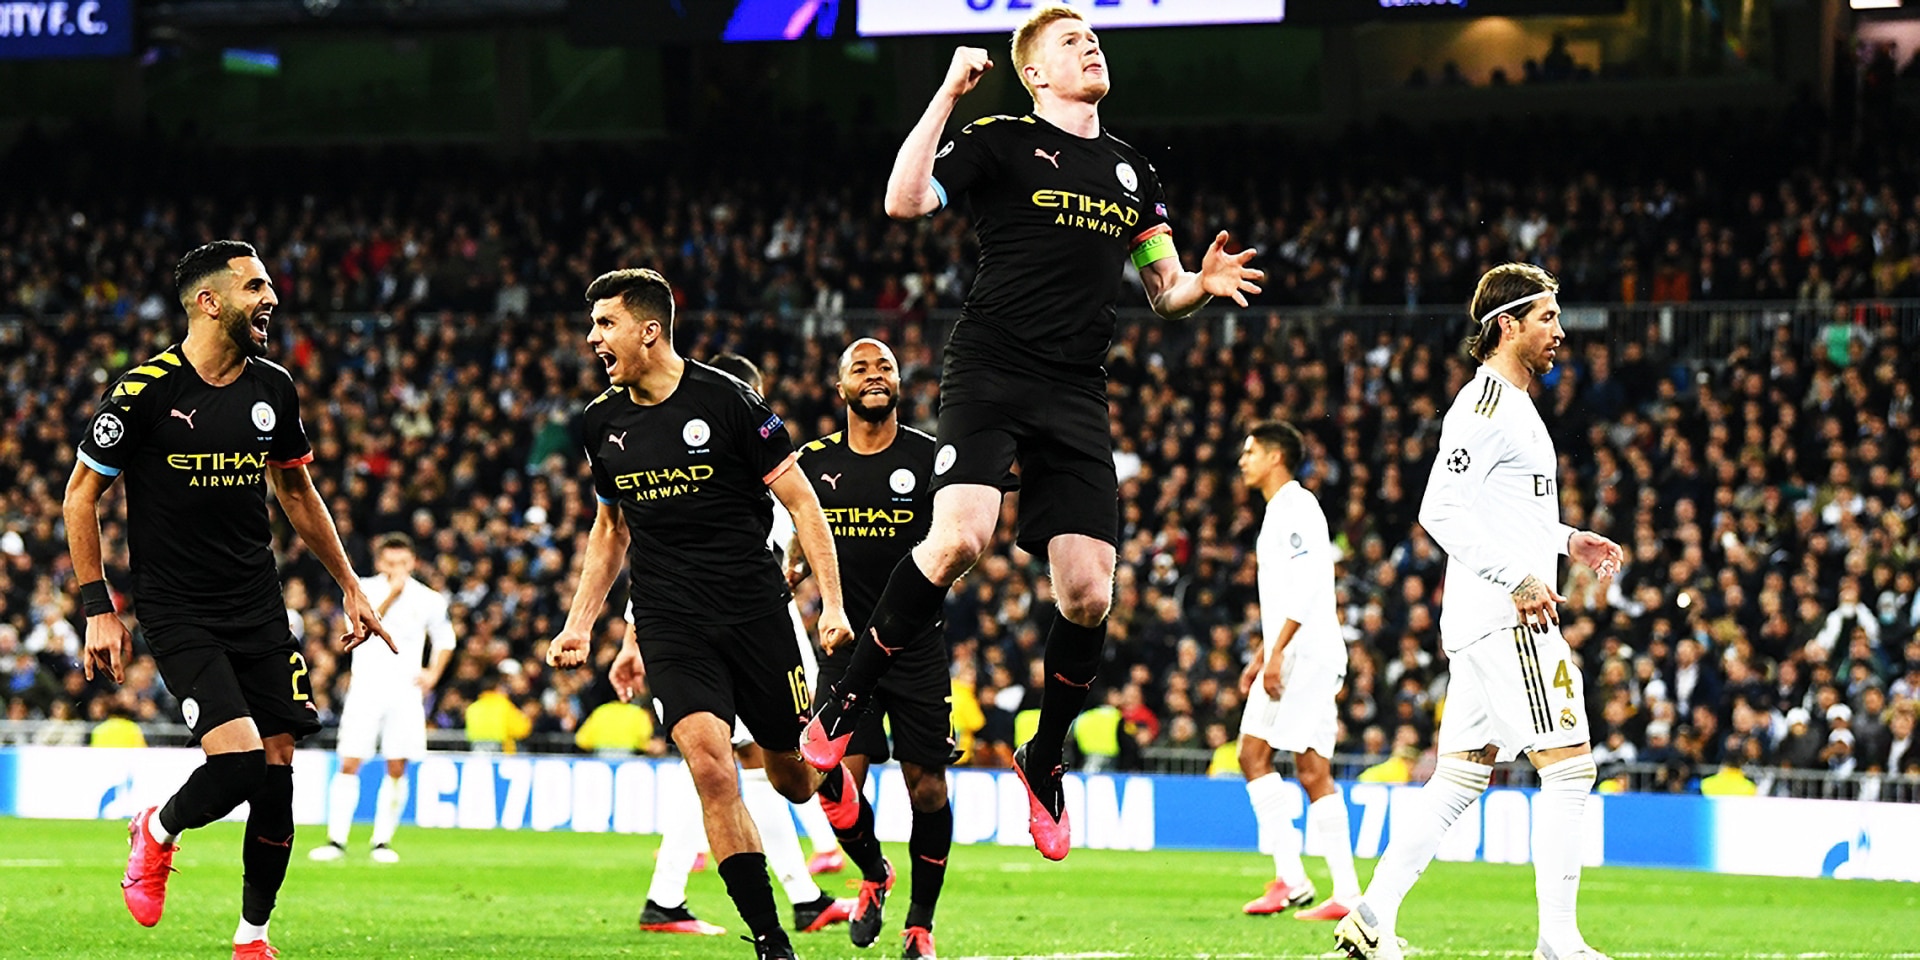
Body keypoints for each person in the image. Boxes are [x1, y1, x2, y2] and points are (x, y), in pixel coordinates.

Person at [803, 2, 1264, 863]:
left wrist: (1199, 282)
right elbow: (906, 201)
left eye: (1094, 37)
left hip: (1075, 390)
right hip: (988, 368)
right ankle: (844, 705)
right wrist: (946, 93)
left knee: (1090, 593)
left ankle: (1044, 755)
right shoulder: (1001, 136)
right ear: (1036, 73)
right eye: (1069, 42)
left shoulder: (1131, 170)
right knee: (960, 538)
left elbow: (1160, 291)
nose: (1090, 46)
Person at [64, 240, 391, 960]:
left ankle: (252, 938)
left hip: (257, 606)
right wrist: (98, 606)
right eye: (255, 287)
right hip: (178, 609)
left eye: (268, 285)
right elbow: (81, 495)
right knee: (239, 763)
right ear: (209, 302)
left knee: (279, 772)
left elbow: (298, 491)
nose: (270, 297)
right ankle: (155, 828)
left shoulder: (273, 388)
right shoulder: (144, 391)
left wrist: (350, 586)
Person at [547, 269, 880, 960]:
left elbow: (804, 504)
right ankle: (769, 939)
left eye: (605, 325)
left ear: (650, 328)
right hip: (674, 622)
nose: (593, 339)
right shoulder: (600, 421)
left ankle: (860, 840)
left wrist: (833, 604)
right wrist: (581, 622)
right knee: (712, 768)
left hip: (756, 615)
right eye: (592, 326)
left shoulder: (730, 402)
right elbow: (610, 530)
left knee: (794, 781)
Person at [1334, 263, 1624, 960]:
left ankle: (1371, 917)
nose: (1559, 332)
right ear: (1507, 325)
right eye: (1547, 318)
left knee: (1459, 778)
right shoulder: (1485, 406)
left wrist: (1564, 539)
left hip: (1486, 616)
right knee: (1570, 768)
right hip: (1508, 618)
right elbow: (1439, 508)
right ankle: (1559, 941)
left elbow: (1507, 513)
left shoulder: (1517, 407)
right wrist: (1519, 578)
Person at [626, 353, 853, 942]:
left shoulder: (763, 480)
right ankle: (797, 899)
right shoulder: (710, 464)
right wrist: (632, 640)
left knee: (735, 772)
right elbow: (650, 552)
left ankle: (667, 896)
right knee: (723, 769)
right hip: (687, 634)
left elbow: (796, 534)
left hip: (754, 632)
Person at [790, 338, 951, 959]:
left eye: (884, 366)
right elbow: (804, 524)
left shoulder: (933, 458)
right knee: (829, 781)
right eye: (860, 368)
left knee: (928, 789)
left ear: (899, 383)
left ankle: (920, 922)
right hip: (847, 646)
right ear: (841, 389)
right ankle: (875, 873)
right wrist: (796, 567)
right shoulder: (814, 460)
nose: (874, 374)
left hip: (915, 648)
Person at [1232, 421, 1359, 921]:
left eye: (1251, 451)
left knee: (1260, 756)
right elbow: (1289, 594)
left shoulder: (1297, 507)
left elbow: (1310, 581)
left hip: (1306, 653)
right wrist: (1264, 653)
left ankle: (1296, 879)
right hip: (1302, 649)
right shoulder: (1279, 511)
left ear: (1276, 456)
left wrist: (1279, 652)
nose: (1244, 460)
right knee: (1301, 766)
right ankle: (1339, 892)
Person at [309, 532, 456, 864]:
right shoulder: (364, 589)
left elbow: (446, 639)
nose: (397, 569)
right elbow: (360, 625)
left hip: (405, 691)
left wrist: (433, 673)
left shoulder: (430, 599)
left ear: (413, 562)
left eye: (403, 563)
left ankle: (382, 841)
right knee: (349, 761)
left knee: (397, 764)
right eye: (390, 563)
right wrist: (392, 594)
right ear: (379, 563)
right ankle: (336, 839)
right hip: (366, 688)